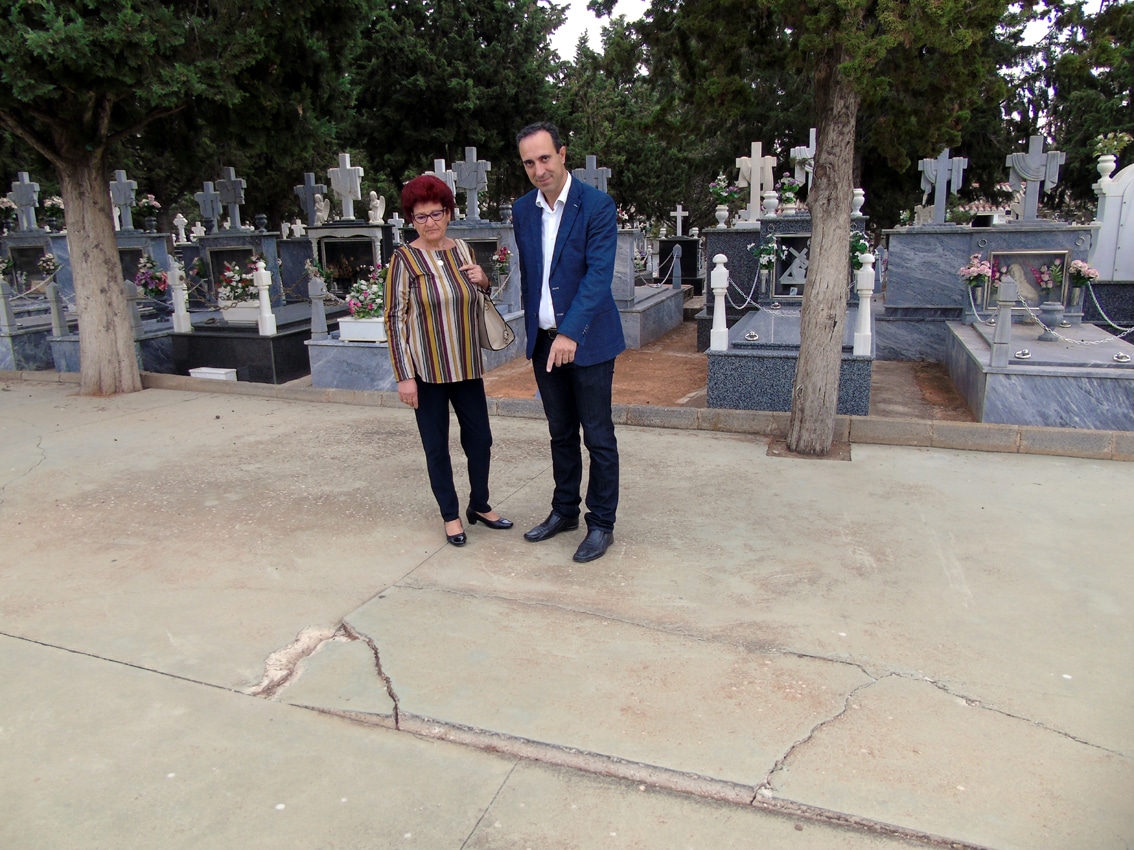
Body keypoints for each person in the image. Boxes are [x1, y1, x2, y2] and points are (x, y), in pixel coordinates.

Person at [511, 122, 626, 563]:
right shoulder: (523, 211)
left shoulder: (596, 205)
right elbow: (533, 275)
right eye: (529, 162)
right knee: (561, 434)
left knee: (598, 436)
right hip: (543, 345)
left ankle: (601, 524)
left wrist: (570, 332)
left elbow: (598, 276)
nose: (539, 169)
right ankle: (565, 512)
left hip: (589, 342)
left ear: (562, 154)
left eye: (545, 158)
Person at [384, 174, 512, 546]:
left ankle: (480, 504)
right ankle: (451, 515)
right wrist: (403, 376)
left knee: (480, 440)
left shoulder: (463, 251)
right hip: (426, 373)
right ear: (411, 220)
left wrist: (484, 281)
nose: (430, 223)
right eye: (421, 217)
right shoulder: (404, 260)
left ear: (448, 213)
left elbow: (478, 300)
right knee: (436, 445)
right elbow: (394, 319)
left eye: (436, 213)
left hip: (467, 366)